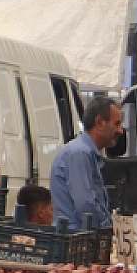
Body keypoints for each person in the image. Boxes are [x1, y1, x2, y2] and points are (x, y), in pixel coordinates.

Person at [49, 95, 120, 229]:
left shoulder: (86, 152)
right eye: (116, 124)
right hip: (74, 239)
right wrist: (108, 229)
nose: (120, 130)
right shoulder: (80, 153)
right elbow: (85, 204)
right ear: (99, 122)